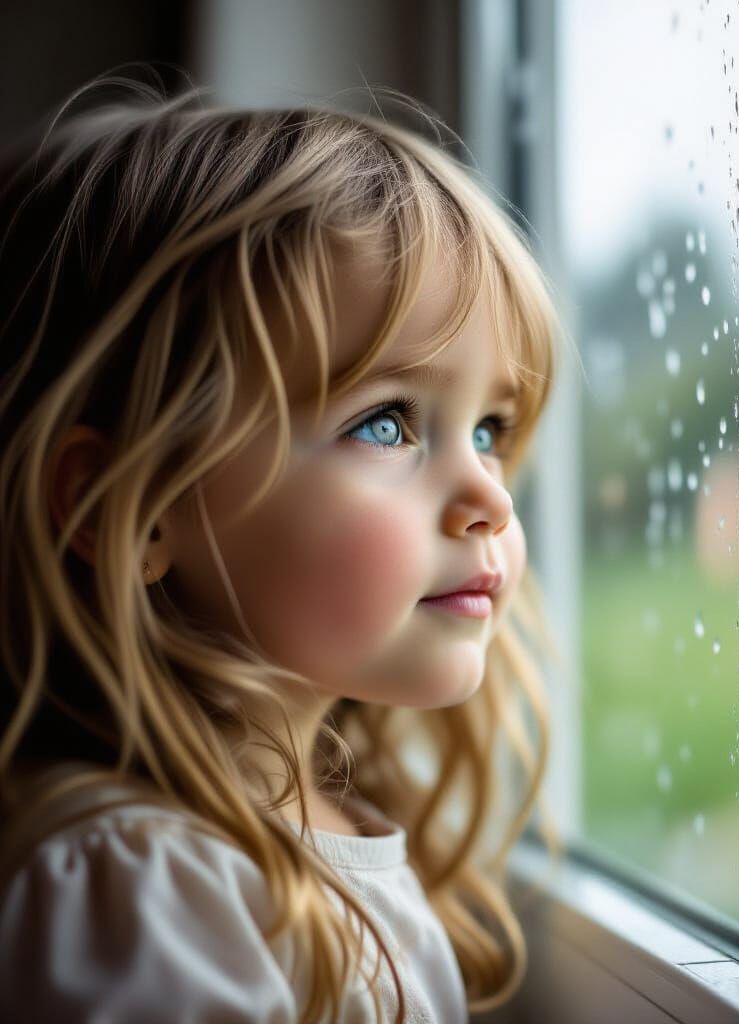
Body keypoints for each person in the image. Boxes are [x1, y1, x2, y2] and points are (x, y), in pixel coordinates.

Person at [0, 75, 566, 1023]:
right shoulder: (140, 897)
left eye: (490, 429)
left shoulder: (312, 833)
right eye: (388, 424)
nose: (489, 498)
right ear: (122, 508)